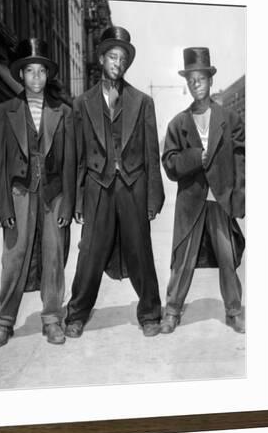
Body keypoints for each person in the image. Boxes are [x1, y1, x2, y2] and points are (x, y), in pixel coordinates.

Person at [64, 26, 165, 338]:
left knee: (140, 251)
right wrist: (79, 201)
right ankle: (76, 314)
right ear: (101, 58)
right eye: (112, 56)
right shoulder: (81, 103)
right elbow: (79, 156)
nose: (117, 62)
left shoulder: (143, 101)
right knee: (90, 253)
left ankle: (150, 313)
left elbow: (151, 152)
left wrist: (153, 199)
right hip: (97, 186)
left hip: (133, 184)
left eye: (122, 58)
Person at [0, 38, 75, 346]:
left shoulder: (63, 112)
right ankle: (4, 321)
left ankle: (52, 318)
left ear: (47, 76)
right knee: (14, 257)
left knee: (53, 257)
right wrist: (4, 207)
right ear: (21, 75)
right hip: (19, 193)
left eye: (41, 71)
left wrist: (68, 205)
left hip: (53, 194)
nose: (36, 78)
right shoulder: (3, 112)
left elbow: (70, 162)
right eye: (30, 71)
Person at [161, 47, 246, 334]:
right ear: (187, 84)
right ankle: (172, 311)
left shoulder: (229, 118)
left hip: (219, 199)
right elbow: (170, 163)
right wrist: (194, 157)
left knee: (227, 257)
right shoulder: (178, 123)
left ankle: (234, 311)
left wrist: (239, 195)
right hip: (191, 201)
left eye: (201, 78)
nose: (196, 83)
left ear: (210, 80)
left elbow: (240, 158)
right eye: (191, 79)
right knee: (182, 259)